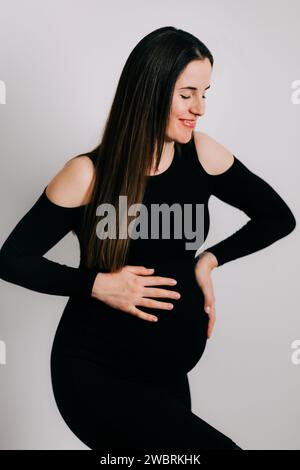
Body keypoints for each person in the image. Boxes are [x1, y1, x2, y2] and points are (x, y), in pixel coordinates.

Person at [0, 26, 296, 452]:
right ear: (151, 91)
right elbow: (13, 259)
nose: (200, 108)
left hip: (166, 377)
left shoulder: (203, 154)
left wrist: (210, 259)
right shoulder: (88, 174)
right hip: (95, 372)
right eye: (187, 93)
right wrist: (98, 284)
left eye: (205, 92)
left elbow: (277, 217)